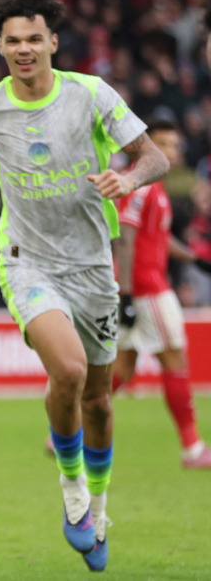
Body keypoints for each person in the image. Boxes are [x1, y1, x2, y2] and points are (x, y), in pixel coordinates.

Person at [0, 0, 169, 572]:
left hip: (92, 267)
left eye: (34, 38)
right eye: (13, 40)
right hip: (27, 261)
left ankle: (99, 508)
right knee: (67, 370)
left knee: (99, 401)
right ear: (0, 46)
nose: (24, 49)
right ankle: (72, 491)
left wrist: (129, 179)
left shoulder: (90, 94)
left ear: (53, 43)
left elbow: (155, 157)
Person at [112, 119, 211, 468]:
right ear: (145, 147)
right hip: (147, 287)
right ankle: (193, 448)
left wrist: (195, 260)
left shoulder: (154, 187)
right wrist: (127, 295)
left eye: (174, 145)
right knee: (174, 360)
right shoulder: (140, 186)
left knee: (123, 367)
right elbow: (125, 238)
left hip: (136, 287)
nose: (171, 151)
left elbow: (158, 237)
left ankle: (64, 430)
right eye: (163, 144)